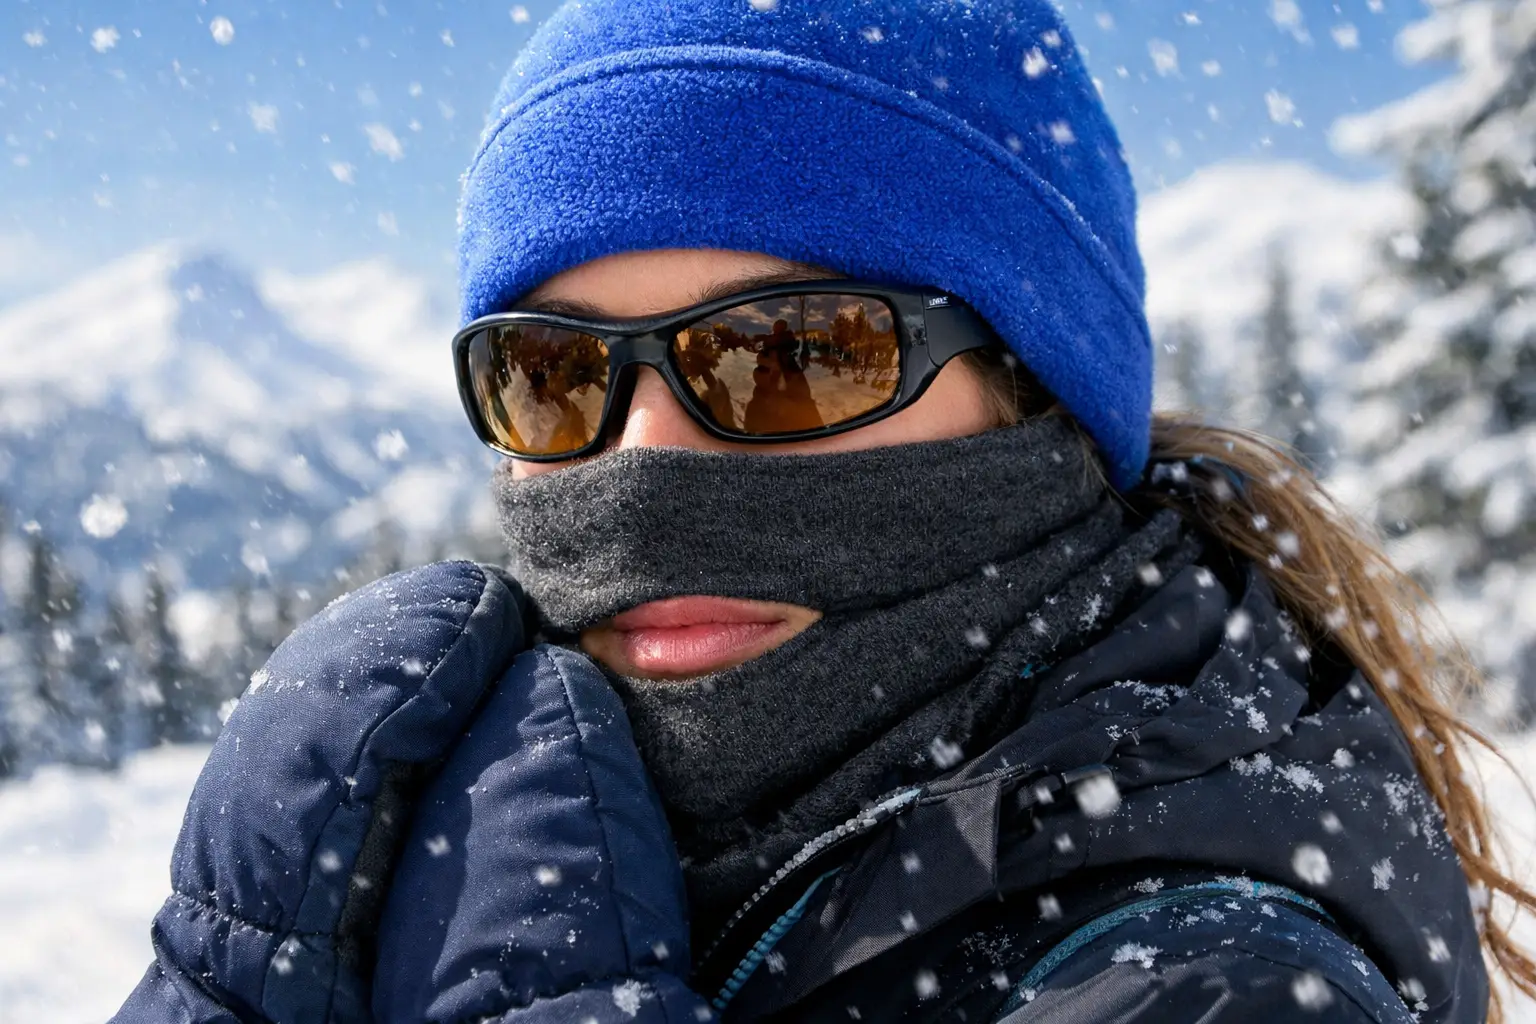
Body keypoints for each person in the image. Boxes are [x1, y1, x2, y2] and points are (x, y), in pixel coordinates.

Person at [112, 2, 1536, 1022]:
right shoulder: (495, 839)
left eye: (798, 356)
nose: (645, 461)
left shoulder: (1208, 983)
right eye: (553, 378)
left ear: (1035, 394)